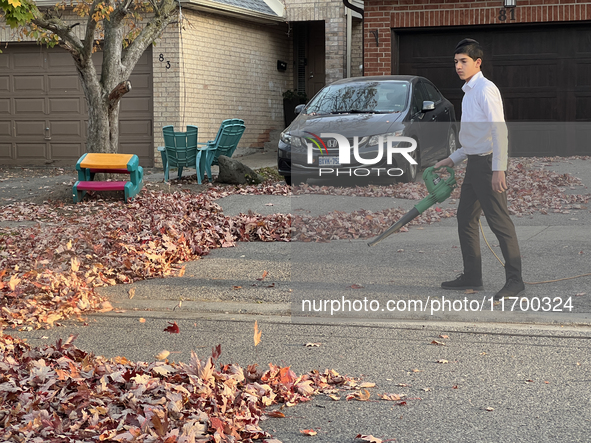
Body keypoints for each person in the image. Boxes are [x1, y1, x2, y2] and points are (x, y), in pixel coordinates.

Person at [434, 38, 524, 300]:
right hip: (474, 165)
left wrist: (499, 169)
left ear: (477, 62)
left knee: (500, 223)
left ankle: (515, 281)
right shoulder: (469, 92)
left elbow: (499, 130)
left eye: (463, 61)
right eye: (455, 62)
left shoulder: (486, 90)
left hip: (487, 165)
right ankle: (472, 276)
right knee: (465, 219)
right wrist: (452, 159)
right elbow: (474, 137)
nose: (458, 66)